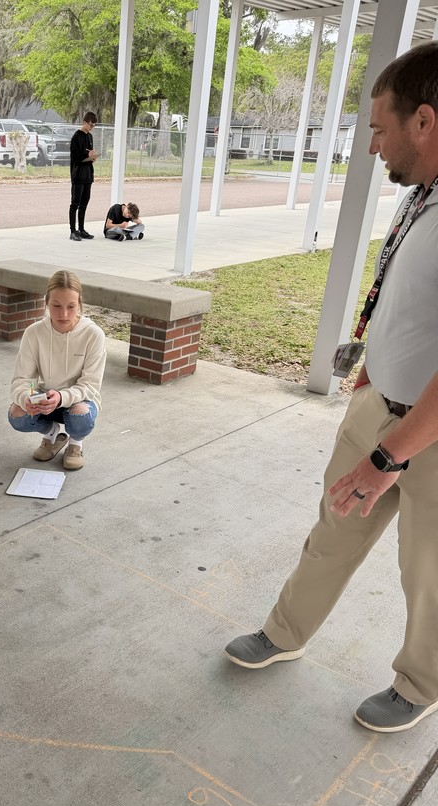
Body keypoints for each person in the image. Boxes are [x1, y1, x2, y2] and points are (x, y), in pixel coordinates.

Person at [224, 41, 438, 735]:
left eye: (380, 128)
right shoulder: (423, 199)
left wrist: (388, 458)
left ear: (425, 122)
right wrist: (374, 371)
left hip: (428, 436)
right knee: (332, 531)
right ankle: (284, 633)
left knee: (428, 574)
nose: (372, 146)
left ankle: (419, 684)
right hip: (380, 407)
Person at [8, 270, 106, 471]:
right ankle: (52, 434)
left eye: (71, 307)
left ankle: (75, 444)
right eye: (56, 306)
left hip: (79, 400)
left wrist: (61, 397)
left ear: (80, 304)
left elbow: (90, 385)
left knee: (81, 413)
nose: (64, 314)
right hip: (45, 398)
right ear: (46, 302)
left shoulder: (93, 335)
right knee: (16, 413)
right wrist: (27, 397)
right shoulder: (33, 333)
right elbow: (22, 379)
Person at [69, 113, 98, 242]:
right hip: (78, 174)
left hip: (88, 174)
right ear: (84, 122)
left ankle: (81, 229)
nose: (92, 127)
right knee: (75, 203)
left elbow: (89, 155)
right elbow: (75, 158)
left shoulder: (90, 136)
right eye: (90, 124)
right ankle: (73, 230)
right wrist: (87, 155)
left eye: (94, 125)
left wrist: (92, 157)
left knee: (84, 203)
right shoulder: (76, 137)